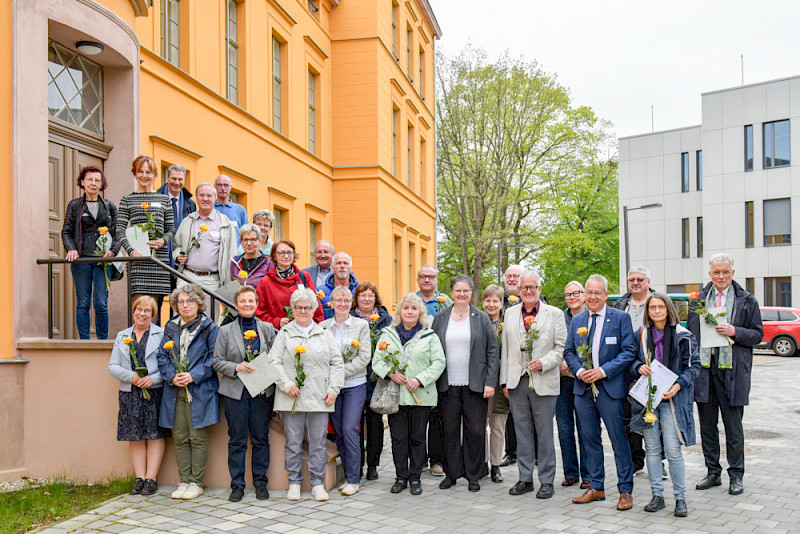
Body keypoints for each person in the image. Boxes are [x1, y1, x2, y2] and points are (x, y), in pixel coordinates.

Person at [689, 253, 762, 496]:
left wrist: (735, 331)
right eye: (716, 272)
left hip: (732, 373)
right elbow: (691, 334)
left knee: (733, 427)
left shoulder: (746, 300)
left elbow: (757, 335)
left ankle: (736, 475)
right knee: (708, 427)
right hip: (705, 372)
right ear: (710, 274)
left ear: (732, 273)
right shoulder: (698, 299)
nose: (721, 276)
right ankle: (712, 472)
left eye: (726, 272)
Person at [564, 274, 636, 511]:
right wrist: (579, 371)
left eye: (597, 292)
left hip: (610, 390)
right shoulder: (577, 320)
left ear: (606, 295)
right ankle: (596, 487)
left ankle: (625, 491)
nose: (592, 297)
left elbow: (628, 352)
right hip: (583, 390)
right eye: (589, 292)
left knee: (618, 440)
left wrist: (603, 371)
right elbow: (569, 352)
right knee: (590, 440)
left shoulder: (620, 318)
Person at [269, 288, 344, 502]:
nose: (303, 311)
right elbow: (273, 362)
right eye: (299, 307)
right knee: (292, 441)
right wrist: (286, 384)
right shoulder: (284, 334)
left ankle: (317, 483)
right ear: (292, 309)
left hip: (320, 397)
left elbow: (336, 363)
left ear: (314, 309)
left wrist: (333, 389)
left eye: (307, 307)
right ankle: (294, 481)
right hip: (291, 396)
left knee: (318, 441)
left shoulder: (324, 334)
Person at [631, 292, 700, 517]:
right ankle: (657, 495)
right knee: (651, 449)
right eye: (653, 308)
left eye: (661, 307)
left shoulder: (683, 335)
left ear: (668, 309)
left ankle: (680, 498)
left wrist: (678, 385)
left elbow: (694, 366)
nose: (657, 311)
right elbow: (631, 360)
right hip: (649, 400)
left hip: (672, 400)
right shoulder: (641, 335)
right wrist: (638, 368)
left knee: (672, 450)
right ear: (648, 312)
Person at [500, 271, 566, 499]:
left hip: (544, 380)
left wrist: (544, 362)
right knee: (522, 432)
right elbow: (506, 349)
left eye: (533, 287)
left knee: (545, 433)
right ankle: (525, 478)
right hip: (517, 382)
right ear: (518, 290)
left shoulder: (554, 314)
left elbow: (560, 348)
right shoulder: (509, 314)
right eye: (524, 287)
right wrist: (504, 381)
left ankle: (546, 481)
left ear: (539, 289)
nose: (528, 291)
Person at [373, 293, 445, 496]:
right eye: (406, 308)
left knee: (417, 438)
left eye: (414, 308)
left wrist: (420, 379)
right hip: (396, 395)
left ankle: (415, 478)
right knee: (398, 438)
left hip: (420, 395)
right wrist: (390, 374)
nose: (410, 312)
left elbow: (438, 362)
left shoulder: (429, 336)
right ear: (399, 312)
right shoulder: (387, 334)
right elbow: (378, 361)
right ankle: (400, 477)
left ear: (420, 312)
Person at [432, 275, 498, 492]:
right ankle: (452, 473)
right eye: (458, 291)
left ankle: (474, 475)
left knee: (476, 431)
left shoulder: (481, 318)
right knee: (450, 430)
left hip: (476, 385)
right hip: (447, 384)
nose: (462, 294)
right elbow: (433, 349)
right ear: (451, 292)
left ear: (471, 293)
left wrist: (490, 382)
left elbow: (492, 351)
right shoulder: (441, 318)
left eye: (466, 291)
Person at [212, 285, 278, 502]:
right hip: (235, 393)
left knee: (261, 438)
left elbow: (276, 358)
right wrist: (236, 367)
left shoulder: (267, 329)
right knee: (237, 440)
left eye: (251, 301)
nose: (247, 305)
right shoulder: (225, 331)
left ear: (257, 304)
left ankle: (260, 482)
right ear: (236, 305)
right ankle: (237, 485)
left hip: (260, 392)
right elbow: (217, 362)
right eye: (243, 301)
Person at [156, 284, 220, 500]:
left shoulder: (209, 327)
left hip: (199, 389)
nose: (185, 306)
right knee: (180, 436)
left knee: (197, 436)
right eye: (181, 302)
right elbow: (162, 356)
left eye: (189, 301)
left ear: (199, 304)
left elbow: (214, 359)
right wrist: (172, 375)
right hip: (175, 389)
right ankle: (183, 480)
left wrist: (193, 375)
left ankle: (196, 483)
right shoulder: (171, 326)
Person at [107, 296, 168, 496]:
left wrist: (154, 379)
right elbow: (113, 366)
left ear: (153, 314)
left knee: (154, 435)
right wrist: (131, 377)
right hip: (130, 392)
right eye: (138, 310)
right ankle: (139, 477)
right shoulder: (122, 335)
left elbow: (168, 365)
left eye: (147, 311)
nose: (142, 314)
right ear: (133, 312)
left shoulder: (161, 334)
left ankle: (151, 478)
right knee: (135, 436)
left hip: (154, 392)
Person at [321, 286, 371, 496]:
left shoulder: (361, 325)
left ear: (351, 302)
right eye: (338, 300)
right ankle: (348, 471)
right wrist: (332, 379)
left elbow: (364, 357)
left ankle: (354, 479)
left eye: (346, 300)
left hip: (354, 385)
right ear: (331, 302)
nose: (342, 304)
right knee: (338, 430)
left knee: (350, 428)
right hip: (333, 388)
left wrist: (339, 374)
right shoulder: (322, 327)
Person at [62, 166, 120, 339]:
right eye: (89, 180)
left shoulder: (109, 206)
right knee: (83, 303)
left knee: (101, 303)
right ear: (82, 182)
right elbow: (66, 231)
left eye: (97, 180)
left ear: (102, 184)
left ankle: (102, 342)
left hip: (103, 261)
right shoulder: (74, 205)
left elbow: (118, 234)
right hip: (82, 260)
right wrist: (71, 249)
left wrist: (112, 251)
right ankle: (84, 341)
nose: (93, 183)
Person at [117, 156, 176, 322]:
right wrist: (131, 251)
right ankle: (136, 345)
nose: (144, 175)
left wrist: (163, 241)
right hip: (138, 260)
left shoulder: (164, 199)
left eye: (148, 172)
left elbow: (171, 229)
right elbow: (120, 230)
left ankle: (155, 346)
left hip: (159, 259)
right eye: (140, 171)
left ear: (154, 174)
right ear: (135, 174)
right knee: (138, 308)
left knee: (155, 309)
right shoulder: (127, 199)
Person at [614, 266, 655, 475]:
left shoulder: (657, 302)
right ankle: (636, 461)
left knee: (653, 413)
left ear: (648, 281)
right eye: (631, 280)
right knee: (630, 415)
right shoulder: (621, 304)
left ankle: (659, 461)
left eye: (640, 279)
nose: (635, 283)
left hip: (652, 366)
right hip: (626, 366)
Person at [173, 183, 238, 313]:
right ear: (196, 197)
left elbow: (232, 254)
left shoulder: (225, 223)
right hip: (187, 276)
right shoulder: (188, 221)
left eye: (209, 195)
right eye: (202, 195)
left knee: (208, 320)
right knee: (181, 315)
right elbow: (176, 245)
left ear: (215, 198)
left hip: (211, 280)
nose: (205, 199)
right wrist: (178, 255)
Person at [351, 282, 392, 481]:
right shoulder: (349, 318)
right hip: (356, 378)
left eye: (370, 295)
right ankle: (356, 463)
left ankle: (373, 465)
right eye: (362, 295)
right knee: (355, 423)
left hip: (377, 379)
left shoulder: (386, 319)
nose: (366, 299)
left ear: (376, 298)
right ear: (356, 298)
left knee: (375, 423)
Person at [415, 264, 451, 477]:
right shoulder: (411, 300)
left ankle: (437, 460)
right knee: (418, 417)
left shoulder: (446, 303)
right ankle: (419, 459)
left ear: (437, 280)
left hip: (439, 364)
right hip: (417, 365)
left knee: (437, 416)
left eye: (431, 277)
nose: (427, 280)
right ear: (418, 280)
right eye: (423, 277)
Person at [558, 281, 590, 489]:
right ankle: (571, 472)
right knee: (564, 428)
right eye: (568, 295)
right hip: (561, 380)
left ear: (585, 295)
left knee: (586, 428)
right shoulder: (559, 318)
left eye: (576, 293)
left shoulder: (592, 317)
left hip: (585, 380)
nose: (572, 297)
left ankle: (588, 474)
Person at [256, 239, 325, 327]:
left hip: (304, 331)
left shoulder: (303, 277)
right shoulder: (265, 282)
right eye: (281, 253)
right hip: (277, 333)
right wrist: (276, 322)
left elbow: (316, 306)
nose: (286, 256)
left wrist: (318, 327)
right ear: (274, 256)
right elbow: (259, 313)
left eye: (289, 252)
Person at [482, 284, 508, 483]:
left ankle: (496, 465)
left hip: (500, 384)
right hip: (480, 383)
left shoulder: (507, 323)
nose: (491, 304)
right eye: (488, 300)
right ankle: (480, 462)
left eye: (495, 301)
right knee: (478, 425)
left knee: (498, 426)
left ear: (501, 303)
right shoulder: (477, 321)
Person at [501, 264, 523, 467]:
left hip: (527, 365)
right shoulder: (500, 302)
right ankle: (512, 452)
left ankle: (532, 453)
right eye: (509, 276)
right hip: (507, 365)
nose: (512, 279)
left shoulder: (536, 301)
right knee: (509, 413)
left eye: (516, 276)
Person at [156, 164, 196, 271]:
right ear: (167, 178)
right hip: (161, 254)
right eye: (173, 178)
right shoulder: (155, 199)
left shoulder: (191, 204)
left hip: (182, 259)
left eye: (180, 179)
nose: (177, 183)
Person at [230, 224, 275, 289]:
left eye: (253, 239)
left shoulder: (268, 262)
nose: (249, 243)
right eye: (245, 240)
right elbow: (231, 286)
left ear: (260, 241)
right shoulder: (235, 262)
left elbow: (272, 287)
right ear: (241, 242)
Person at [319, 252, 360, 319]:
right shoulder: (321, 291)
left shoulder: (359, 291)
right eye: (338, 263)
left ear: (351, 268)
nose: (342, 266)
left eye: (345, 263)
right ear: (332, 268)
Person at [213, 174, 248, 242]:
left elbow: (246, 234)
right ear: (215, 187)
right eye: (219, 185)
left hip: (236, 251)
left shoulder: (240, 210)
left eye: (226, 185)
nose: (223, 188)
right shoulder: (210, 208)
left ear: (230, 188)